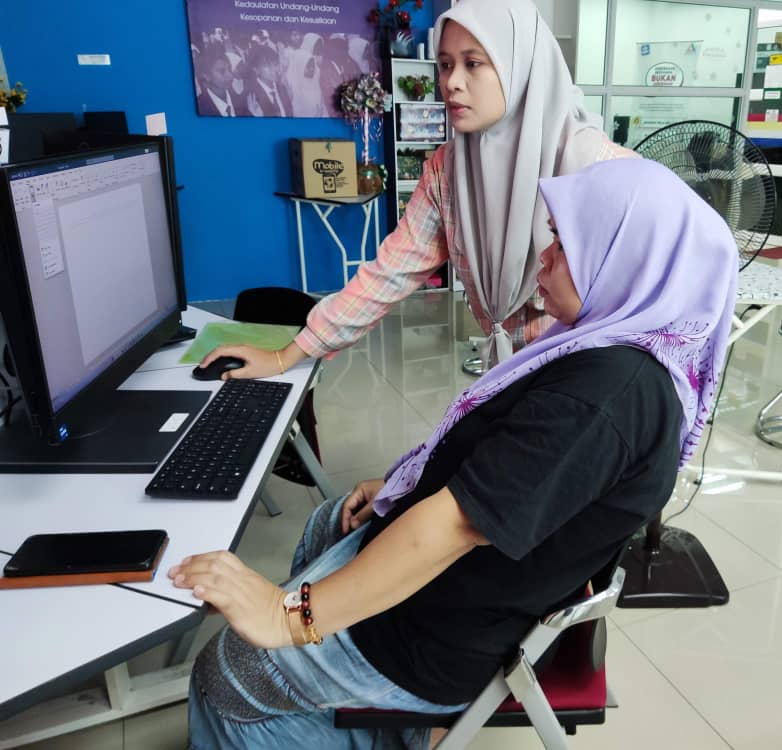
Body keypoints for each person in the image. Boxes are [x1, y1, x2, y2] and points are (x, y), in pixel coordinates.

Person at [171, 157, 739, 749]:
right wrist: (405, 486)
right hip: (466, 586)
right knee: (328, 522)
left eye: (566, 247)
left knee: (226, 674)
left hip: (439, 631)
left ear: (627, 261)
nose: (543, 260)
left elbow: (458, 526)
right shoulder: (606, 346)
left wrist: (288, 617)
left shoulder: (607, 396)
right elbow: (513, 468)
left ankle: (361, 713)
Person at [202, 0, 637, 380]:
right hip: (504, 381)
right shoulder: (449, 172)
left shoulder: (601, 169)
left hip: (585, 387)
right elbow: (388, 274)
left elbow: (656, 298)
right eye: (445, 65)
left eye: (473, 63)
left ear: (520, 67)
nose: (451, 82)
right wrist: (286, 355)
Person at [285, 32, 327, 117]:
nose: (311, 69)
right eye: (309, 66)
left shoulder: (315, 79)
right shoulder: (302, 56)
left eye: (312, 66)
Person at [245, 44, 292, 117]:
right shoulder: (251, 98)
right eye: (268, 65)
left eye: (275, 64)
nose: (274, 69)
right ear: (256, 69)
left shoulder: (282, 88)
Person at [196, 49, 245, 117]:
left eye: (229, 69)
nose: (230, 76)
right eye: (222, 71)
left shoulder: (241, 100)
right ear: (206, 76)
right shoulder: (200, 109)